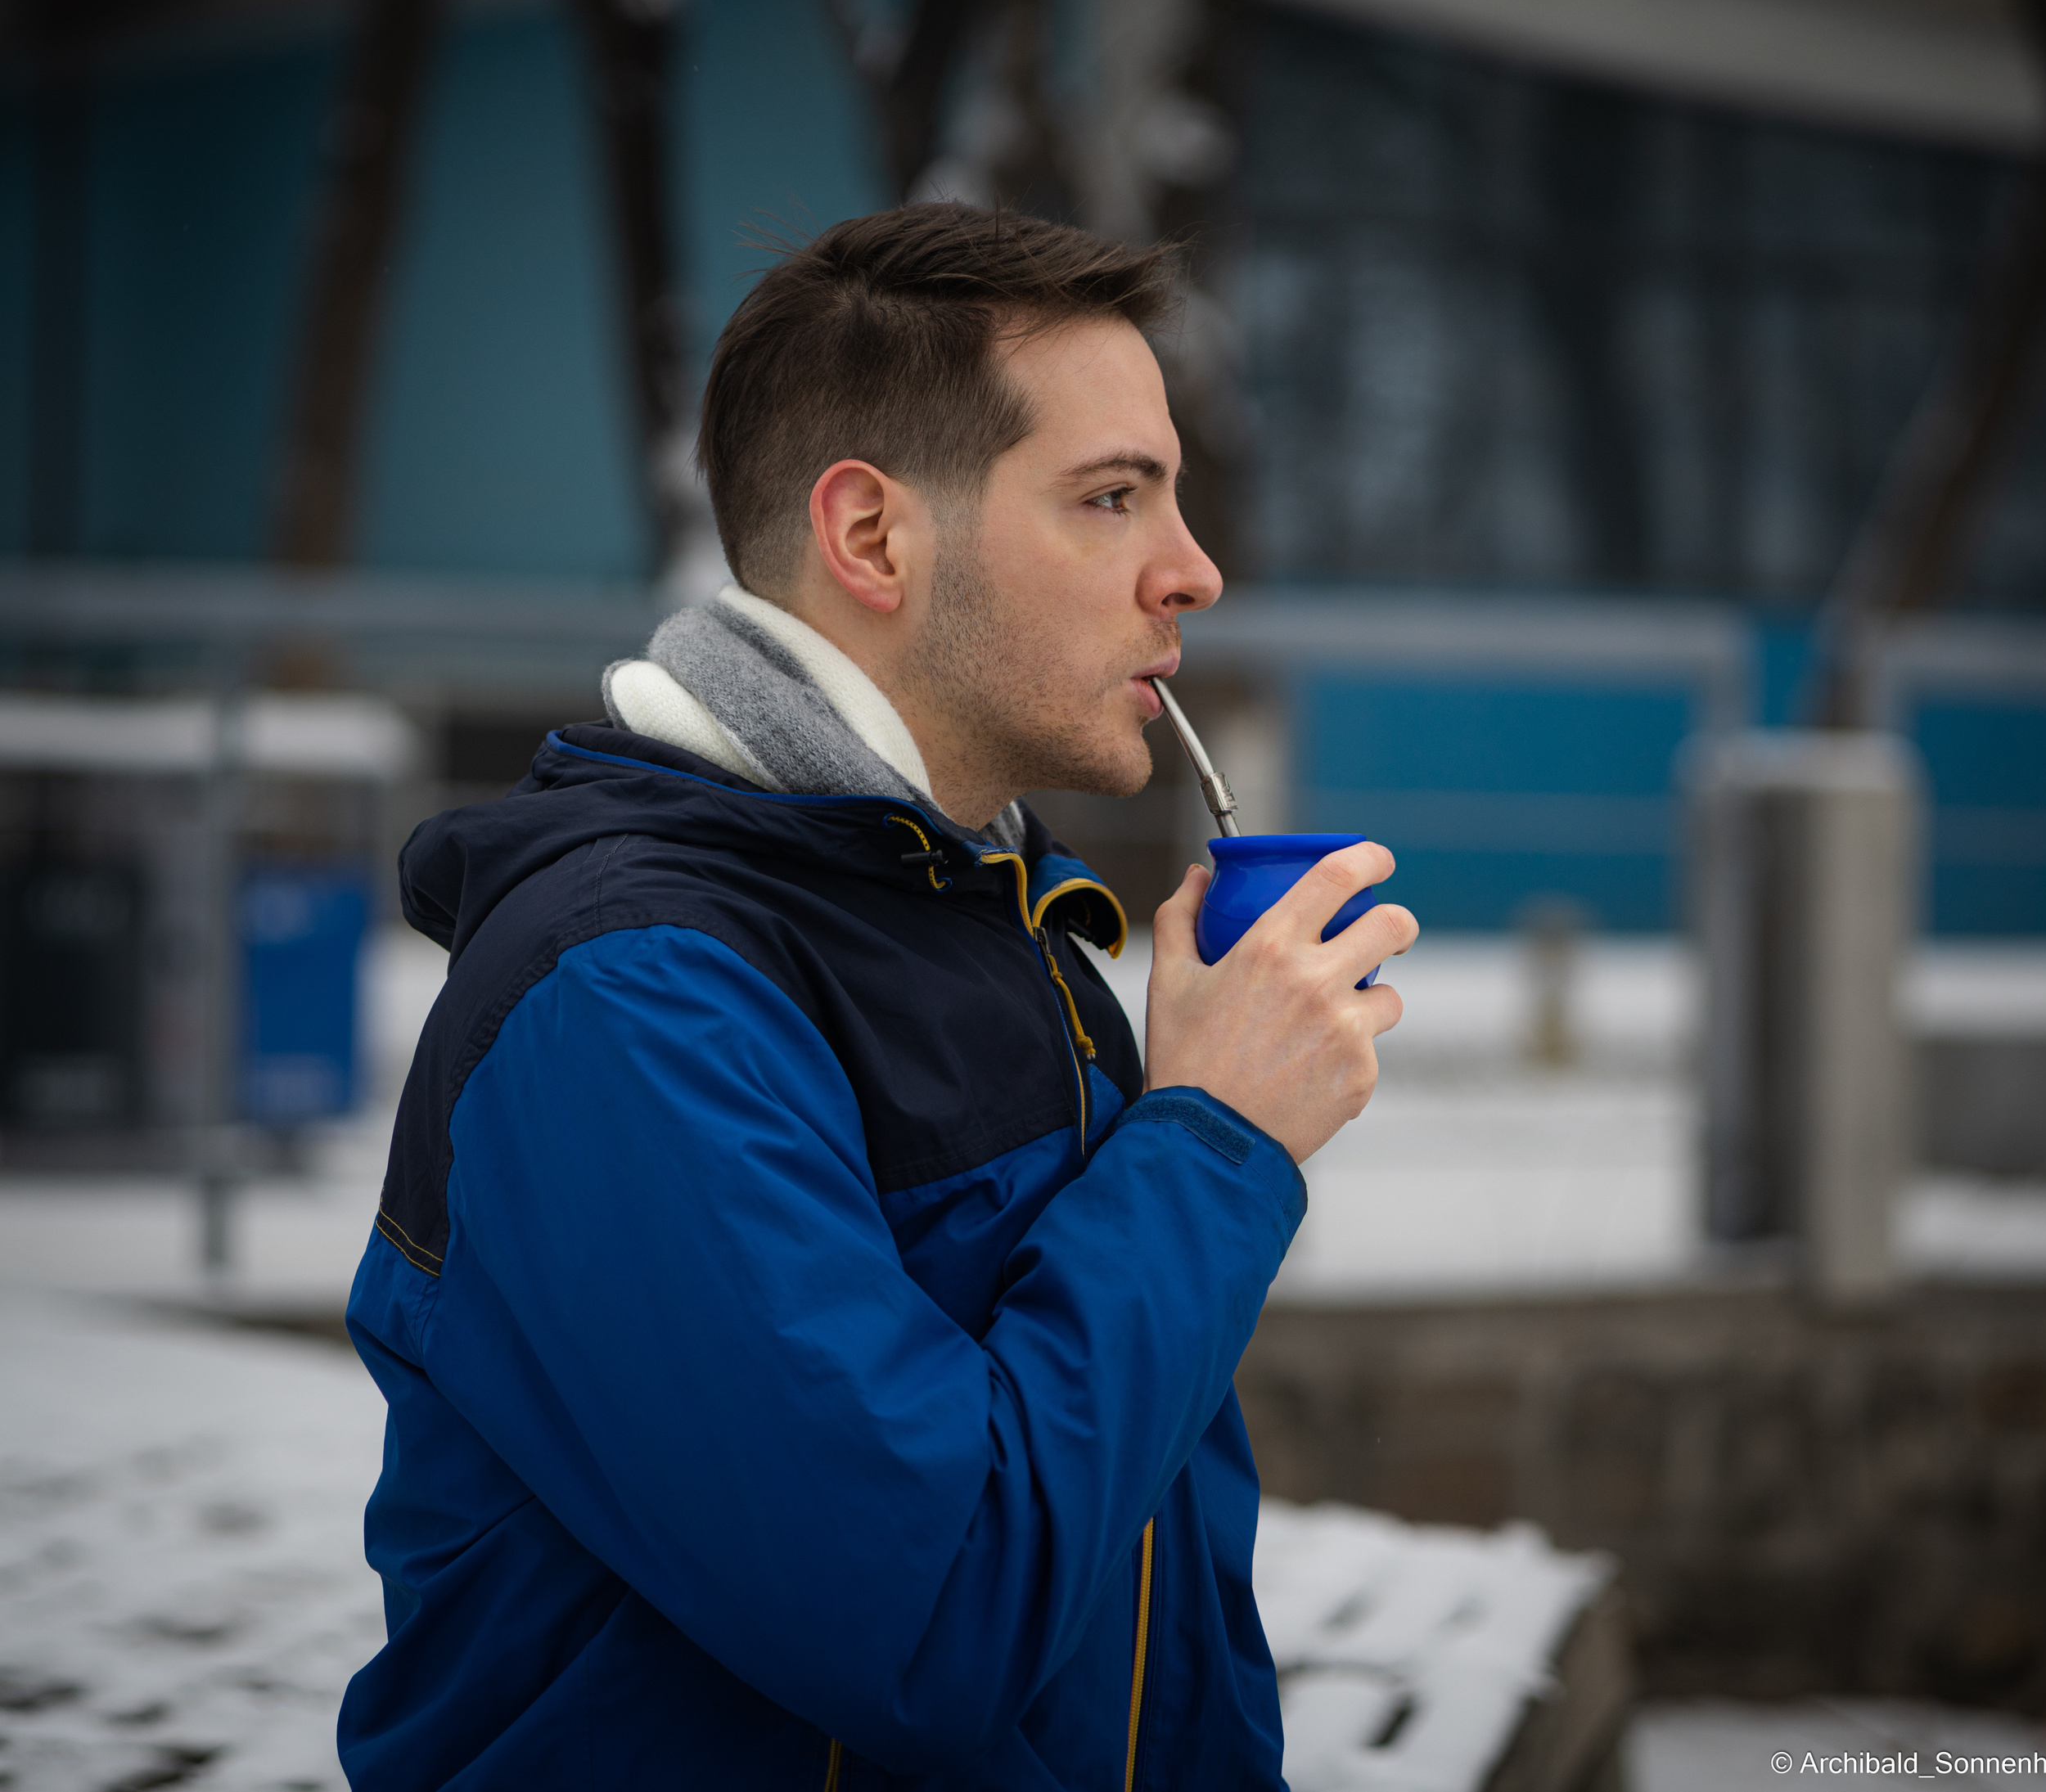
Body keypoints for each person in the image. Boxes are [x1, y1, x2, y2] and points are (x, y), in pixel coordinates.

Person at [339, 202, 1417, 1790]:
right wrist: (1210, 1144)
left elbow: (1126, 1551)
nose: (1189, 570)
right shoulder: (625, 1004)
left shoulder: (986, 903)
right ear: (871, 540)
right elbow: (933, 1607)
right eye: (1112, 498)